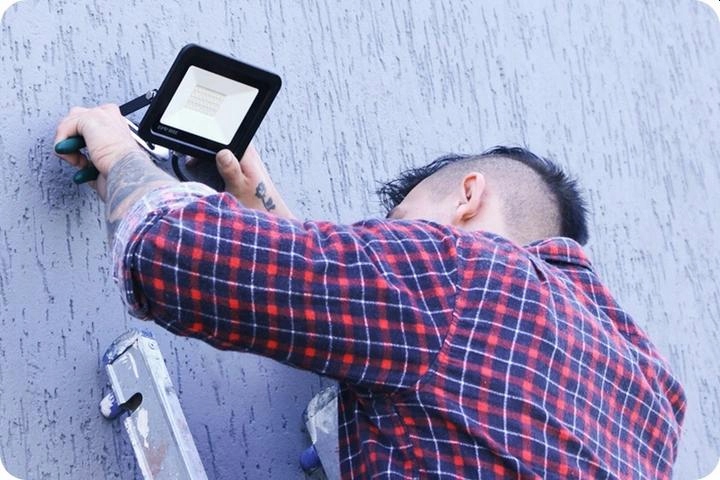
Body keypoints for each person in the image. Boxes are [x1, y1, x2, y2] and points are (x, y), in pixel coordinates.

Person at [55, 104, 685, 479]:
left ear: (468, 198)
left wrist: (120, 154)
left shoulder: (466, 272)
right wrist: (270, 220)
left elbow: (172, 250)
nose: (393, 242)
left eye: (398, 226)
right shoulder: (651, 395)